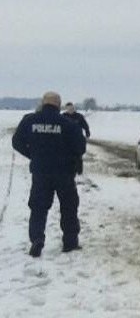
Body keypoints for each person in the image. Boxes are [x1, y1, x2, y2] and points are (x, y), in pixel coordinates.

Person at [12, 91, 86, 257]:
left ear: (43, 103)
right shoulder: (67, 123)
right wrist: (69, 157)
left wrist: (33, 154)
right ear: (59, 105)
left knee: (38, 207)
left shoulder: (29, 120)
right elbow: (81, 147)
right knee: (68, 206)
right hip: (64, 173)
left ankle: (37, 239)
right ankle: (70, 241)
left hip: (40, 172)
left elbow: (16, 142)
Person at [62, 102, 90, 175]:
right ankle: (67, 169)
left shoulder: (79, 116)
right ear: (66, 109)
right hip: (66, 139)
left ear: (74, 108)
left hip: (78, 138)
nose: (70, 110)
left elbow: (85, 125)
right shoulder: (63, 116)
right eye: (69, 109)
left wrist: (87, 133)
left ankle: (79, 171)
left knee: (78, 155)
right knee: (66, 155)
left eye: (72, 108)